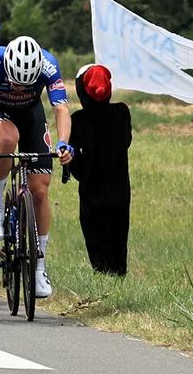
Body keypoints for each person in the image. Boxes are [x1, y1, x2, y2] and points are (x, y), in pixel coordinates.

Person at [0, 34, 73, 298]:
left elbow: (61, 109)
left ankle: (39, 268)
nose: (18, 88)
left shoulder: (49, 65)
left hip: (30, 114)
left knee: (40, 189)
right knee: (7, 138)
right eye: (16, 82)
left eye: (26, 84)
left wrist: (63, 143)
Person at [66, 63, 132, 276]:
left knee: (97, 238)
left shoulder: (77, 120)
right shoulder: (122, 112)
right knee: (119, 236)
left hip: (92, 189)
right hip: (120, 187)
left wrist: (81, 173)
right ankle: (119, 273)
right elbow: (126, 141)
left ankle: (103, 275)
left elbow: (73, 156)